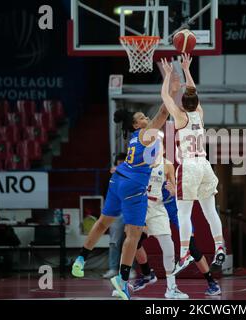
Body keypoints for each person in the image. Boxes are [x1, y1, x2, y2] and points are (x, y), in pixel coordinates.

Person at [70, 103, 171, 300]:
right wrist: (171, 87)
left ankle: (81, 259)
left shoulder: (134, 138)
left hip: (118, 180)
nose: (146, 119)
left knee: (102, 222)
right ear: (136, 125)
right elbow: (164, 112)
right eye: (142, 118)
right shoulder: (145, 133)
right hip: (133, 186)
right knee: (133, 235)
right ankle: (122, 281)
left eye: (145, 116)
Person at [160, 54, 226, 276]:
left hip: (189, 167)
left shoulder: (180, 117)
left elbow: (164, 96)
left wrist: (169, 75)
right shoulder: (199, 114)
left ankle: (185, 252)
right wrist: (187, 70)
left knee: (183, 214)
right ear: (196, 103)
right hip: (205, 165)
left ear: (183, 103)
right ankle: (219, 247)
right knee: (210, 211)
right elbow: (192, 92)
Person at [128, 148, 221, 297]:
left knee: (191, 247)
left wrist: (174, 190)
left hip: (175, 210)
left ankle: (211, 282)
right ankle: (147, 274)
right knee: (135, 240)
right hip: (156, 211)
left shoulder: (168, 166)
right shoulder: (143, 166)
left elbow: (180, 189)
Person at [102, 153, 135, 280]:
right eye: (119, 163)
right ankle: (113, 268)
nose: (121, 165)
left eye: (123, 163)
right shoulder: (112, 176)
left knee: (131, 241)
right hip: (116, 212)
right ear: (116, 164)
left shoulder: (134, 174)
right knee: (114, 241)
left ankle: (130, 269)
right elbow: (107, 192)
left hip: (131, 210)